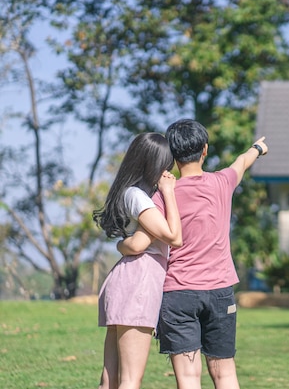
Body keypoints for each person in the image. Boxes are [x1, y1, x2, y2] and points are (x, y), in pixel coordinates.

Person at [119, 119, 268, 389]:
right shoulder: (223, 182)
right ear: (205, 150)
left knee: (188, 378)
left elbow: (140, 242)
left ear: (171, 156)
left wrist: (122, 245)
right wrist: (257, 148)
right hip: (220, 292)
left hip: (178, 294)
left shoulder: (160, 196)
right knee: (225, 374)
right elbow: (242, 161)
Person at [92, 132, 183, 389]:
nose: (169, 172)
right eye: (166, 165)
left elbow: (136, 243)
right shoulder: (138, 196)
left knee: (110, 380)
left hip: (129, 277)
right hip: (139, 283)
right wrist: (169, 193)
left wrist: (124, 244)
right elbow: (174, 237)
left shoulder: (132, 193)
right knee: (130, 380)